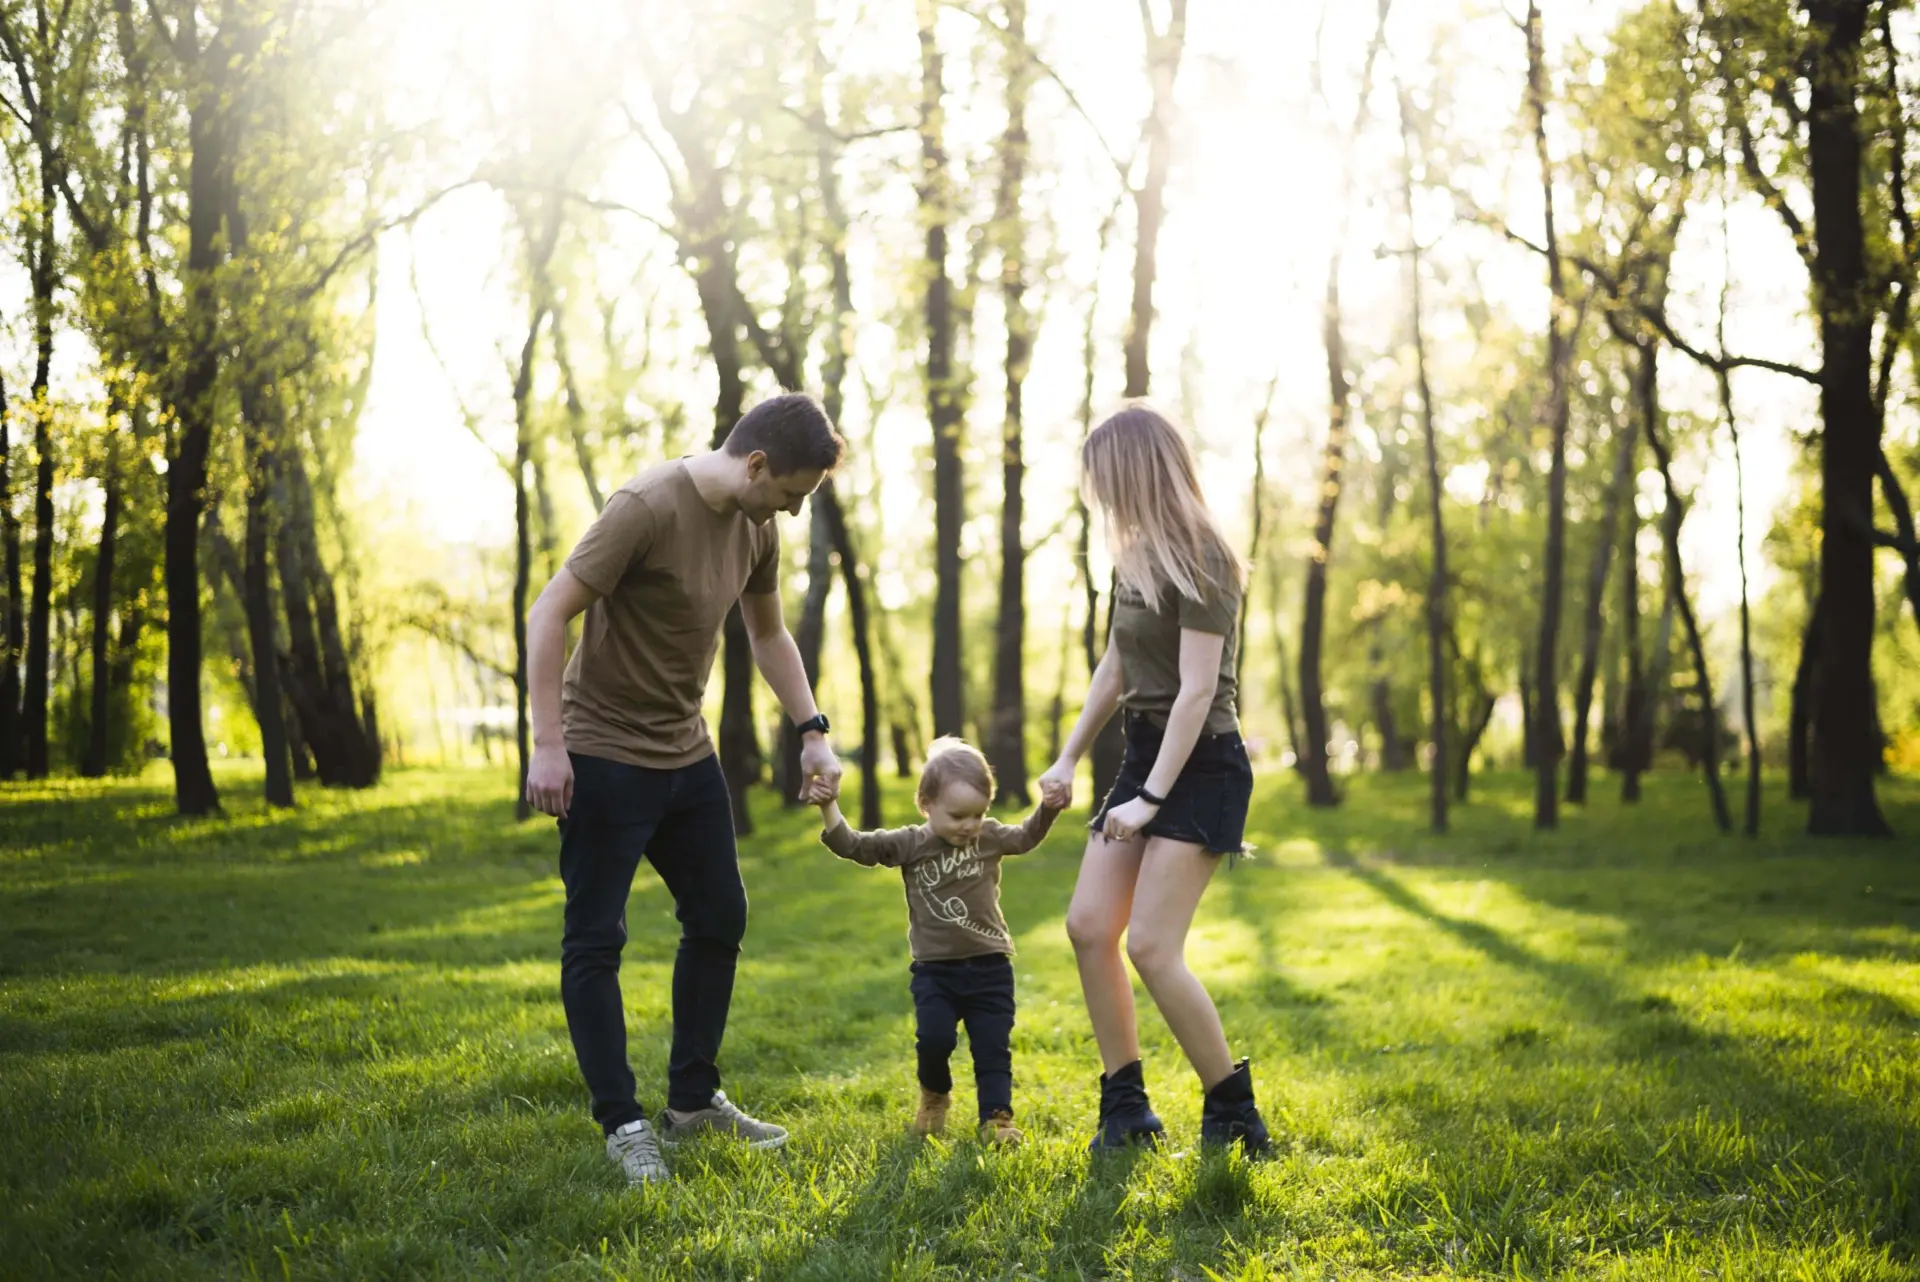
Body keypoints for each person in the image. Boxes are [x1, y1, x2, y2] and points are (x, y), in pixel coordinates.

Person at [523, 392, 846, 1185]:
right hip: (601, 749)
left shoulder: (756, 525)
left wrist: (812, 731)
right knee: (596, 936)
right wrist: (547, 744)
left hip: (683, 749)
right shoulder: (645, 505)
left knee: (720, 913)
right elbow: (549, 610)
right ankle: (623, 1123)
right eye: (792, 493)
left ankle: (694, 1102)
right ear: (758, 464)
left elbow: (767, 634)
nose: (794, 513)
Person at [1036, 402, 1273, 1156]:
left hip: (1202, 763)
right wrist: (1070, 756)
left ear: (1134, 471)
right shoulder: (1131, 555)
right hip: (1146, 753)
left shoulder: (1204, 552)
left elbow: (1199, 690)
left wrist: (1149, 801)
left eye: (1104, 479)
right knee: (1087, 926)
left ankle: (1233, 1111)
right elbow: (1117, 663)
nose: (1098, 494)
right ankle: (1127, 1107)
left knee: (1153, 946)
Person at [816, 738, 1059, 1145]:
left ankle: (996, 1121)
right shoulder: (911, 842)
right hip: (935, 971)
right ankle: (934, 1097)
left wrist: (1049, 805)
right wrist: (829, 805)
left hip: (991, 966)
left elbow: (1027, 836)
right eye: (958, 815)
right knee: (933, 1040)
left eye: (978, 814)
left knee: (992, 1049)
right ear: (926, 803)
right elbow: (853, 846)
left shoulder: (990, 837)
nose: (969, 825)